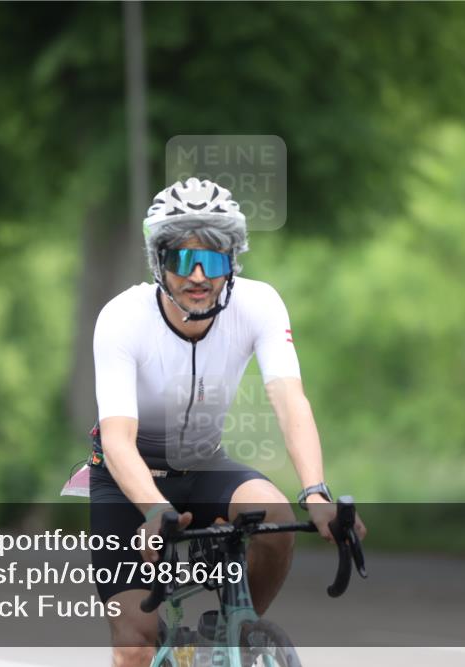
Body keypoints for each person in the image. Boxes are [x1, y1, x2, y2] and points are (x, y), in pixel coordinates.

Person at [89, 177, 366, 667]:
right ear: (159, 263)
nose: (198, 276)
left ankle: (234, 633)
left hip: (203, 464)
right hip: (129, 479)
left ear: (232, 263)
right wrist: (155, 511)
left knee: (276, 518)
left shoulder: (258, 304)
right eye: (182, 260)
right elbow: (117, 440)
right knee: (136, 642)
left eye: (214, 261)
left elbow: (290, 401)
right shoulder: (121, 319)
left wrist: (316, 492)